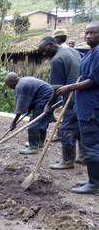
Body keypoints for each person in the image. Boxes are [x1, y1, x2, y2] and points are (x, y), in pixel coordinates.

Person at [56, 21, 99, 194]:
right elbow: (85, 76)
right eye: (86, 32)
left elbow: (94, 80)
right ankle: (93, 180)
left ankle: (94, 184)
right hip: (86, 107)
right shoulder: (90, 53)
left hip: (92, 109)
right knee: (90, 143)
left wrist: (70, 87)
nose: (88, 36)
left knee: (92, 145)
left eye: (93, 33)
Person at [38, 36, 82, 168]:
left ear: (52, 44)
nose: (44, 54)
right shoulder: (72, 51)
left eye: (45, 50)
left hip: (71, 99)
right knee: (79, 127)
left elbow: (56, 89)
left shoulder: (57, 60)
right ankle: (83, 156)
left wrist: (48, 106)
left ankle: (68, 161)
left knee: (66, 129)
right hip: (82, 96)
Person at [4, 73, 54, 155]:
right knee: (41, 122)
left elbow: (20, 107)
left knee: (33, 123)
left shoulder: (20, 86)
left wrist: (14, 122)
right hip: (51, 98)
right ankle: (39, 143)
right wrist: (30, 108)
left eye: (8, 85)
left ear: (12, 82)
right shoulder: (24, 80)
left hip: (45, 99)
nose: (9, 87)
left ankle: (33, 147)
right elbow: (32, 95)